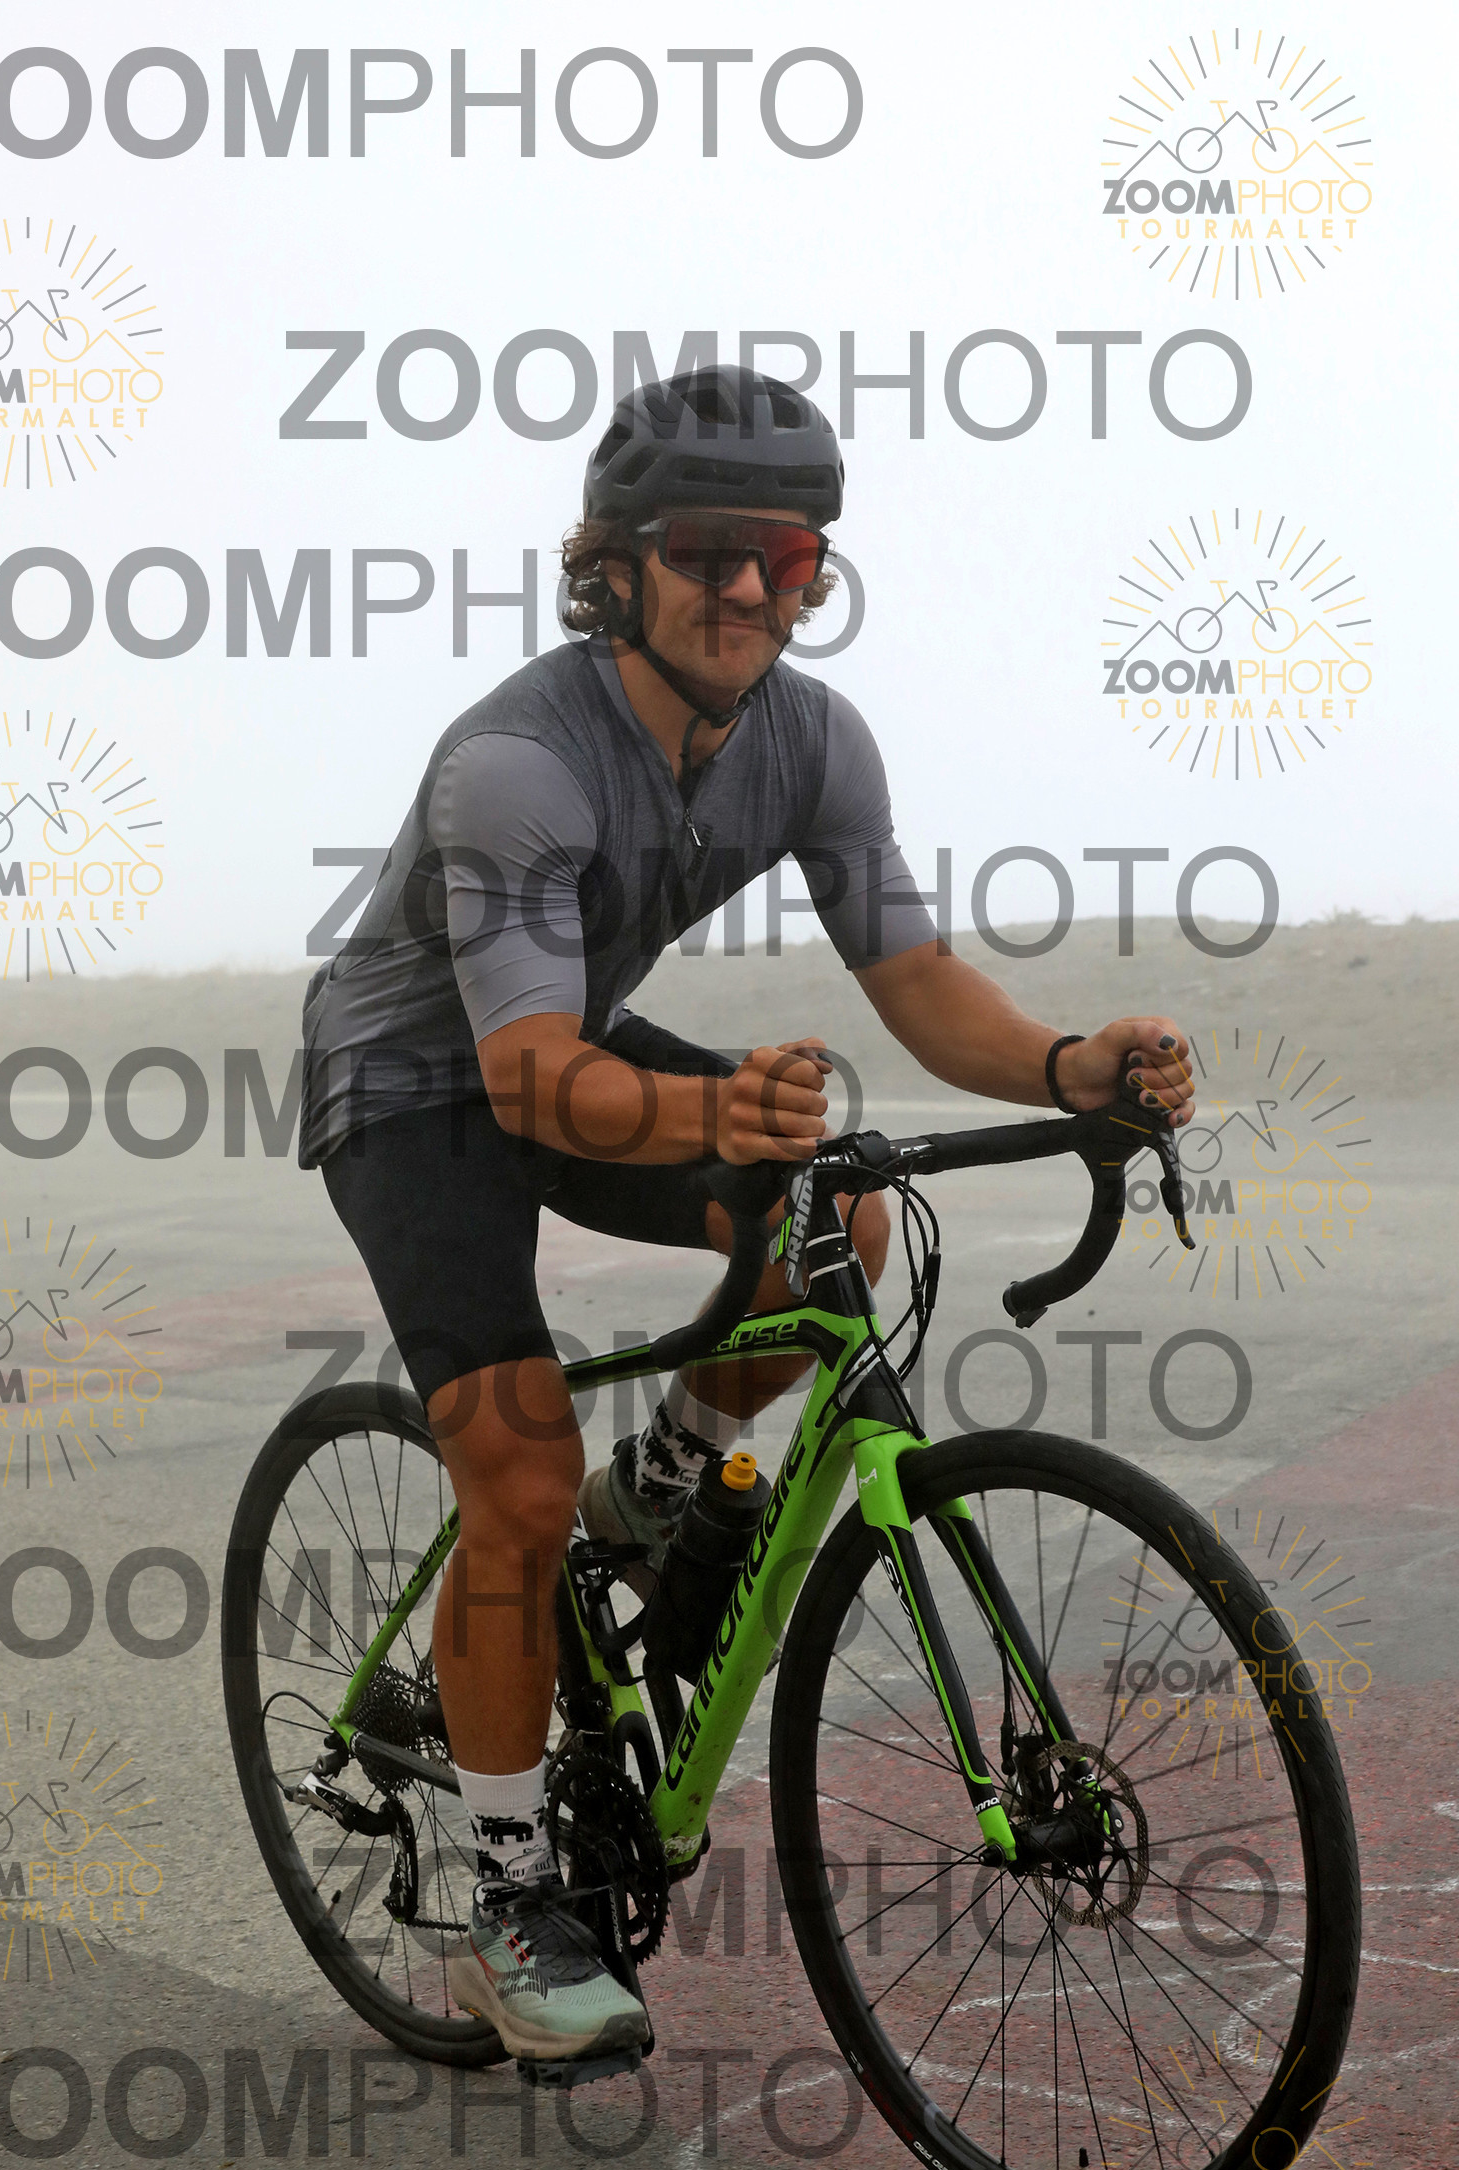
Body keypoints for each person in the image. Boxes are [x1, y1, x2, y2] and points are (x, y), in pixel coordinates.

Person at [299, 366, 1195, 2065]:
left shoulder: (811, 739)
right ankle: (510, 1904)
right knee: (516, 1477)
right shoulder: (517, 763)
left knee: (839, 1226)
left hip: (564, 1045)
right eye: (708, 553)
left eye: (785, 560)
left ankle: (661, 1484)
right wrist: (724, 1112)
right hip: (416, 1083)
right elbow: (524, 1084)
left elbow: (916, 981)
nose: (749, 592)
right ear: (615, 567)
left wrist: (1072, 1063)